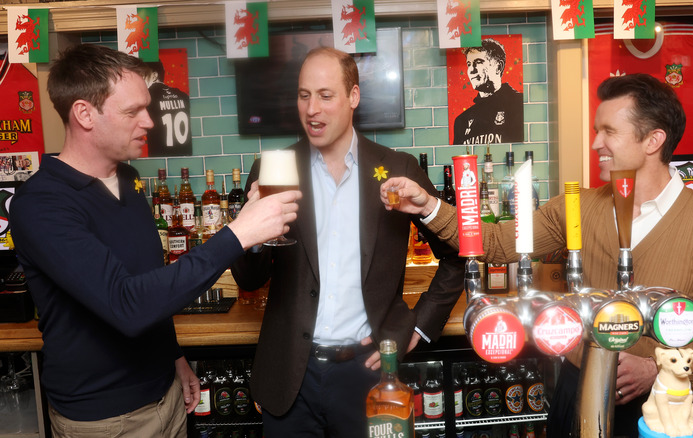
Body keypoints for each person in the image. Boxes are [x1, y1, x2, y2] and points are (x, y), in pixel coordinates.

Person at [382, 73, 693, 437]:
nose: (596, 143)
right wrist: (429, 206)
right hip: (575, 386)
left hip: (662, 403)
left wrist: (656, 368)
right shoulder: (578, 207)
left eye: (609, 131)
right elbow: (498, 242)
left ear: (653, 140)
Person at [9, 44, 301, 437]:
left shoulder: (127, 181)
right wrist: (238, 233)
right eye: (133, 112)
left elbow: (149, 280)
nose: (149, 122)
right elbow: (127, 305)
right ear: (84, 114)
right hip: (104, 420)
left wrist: (175, 358)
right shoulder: (42, 205)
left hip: (167, 396)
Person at [230, 47, 465, 437]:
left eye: (325, 95)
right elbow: (250, 280)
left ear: (353, 97)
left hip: (368, 373)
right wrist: (250, 233)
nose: (311, 109)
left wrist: (419, 328)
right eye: (304, 95)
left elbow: (456, 254)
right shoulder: (273, 169)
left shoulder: (397, 168)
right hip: (290, 376)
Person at [452, 38, 524, 145]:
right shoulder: (462, 121)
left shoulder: (518, 104)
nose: (472, 70)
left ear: (498, 67)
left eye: (478, 62)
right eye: (469, 64)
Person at [144, 61, 192, 157]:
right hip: (185, 155)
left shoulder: (146, 98)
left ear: (154, 76)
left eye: (142, 76)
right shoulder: (183, 96)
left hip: (158, 157)